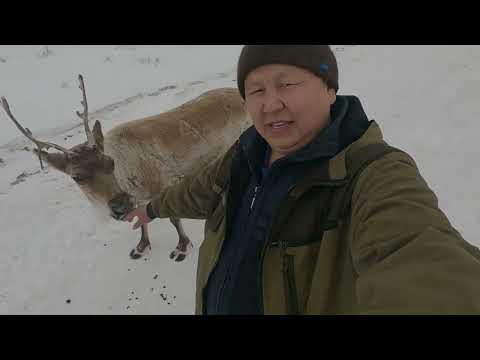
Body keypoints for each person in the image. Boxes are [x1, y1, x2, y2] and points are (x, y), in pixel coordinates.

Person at [124, 45, 480, 315]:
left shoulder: (373, 175)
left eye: (288, 84)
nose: (270, 104)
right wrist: (151, 209)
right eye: (256, 90)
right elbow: (199, 191)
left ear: (329, 89)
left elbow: (416, 255)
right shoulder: (245, 155)